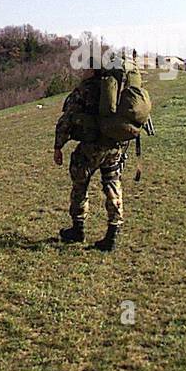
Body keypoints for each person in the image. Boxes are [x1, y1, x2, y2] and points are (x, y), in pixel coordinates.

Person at [53, 67, 131, 253]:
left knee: (80, 184)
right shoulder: (116, 89)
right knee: (112, 185)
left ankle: (78, 229)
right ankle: (113, 232)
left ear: (92, 69)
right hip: (113, 146)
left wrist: (58, 146)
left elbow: (67, 119)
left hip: (91, 147)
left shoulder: (84, 89)